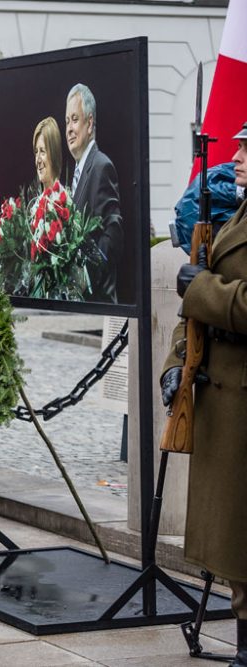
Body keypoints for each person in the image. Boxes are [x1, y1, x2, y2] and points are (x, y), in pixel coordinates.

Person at [162, 122, 247, 667]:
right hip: (220, 399)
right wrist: (176, 363)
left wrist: (198, 286)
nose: (236, 158)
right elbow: (190, 313)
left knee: (240, 540)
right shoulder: (233, 213)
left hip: (241, 402)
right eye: (237, 148)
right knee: (229, 542)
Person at [65, 83, 122, 303]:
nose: (69, 128)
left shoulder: (100, 166)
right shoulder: (77, 170)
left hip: (99, 302)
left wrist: (85, 276)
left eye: (75, 119)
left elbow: (113, 234)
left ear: (90, 124)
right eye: (67, 121)